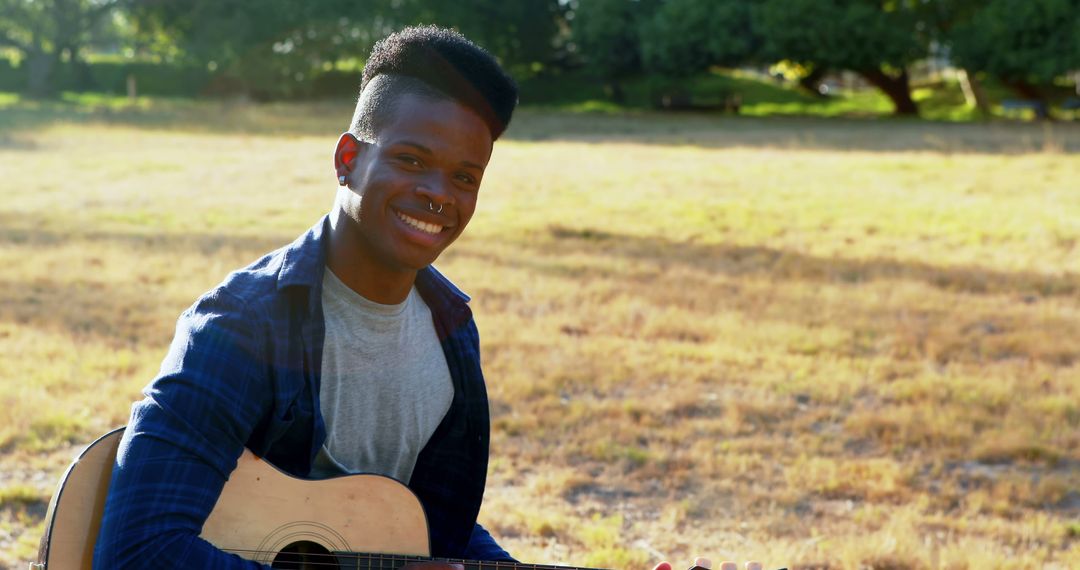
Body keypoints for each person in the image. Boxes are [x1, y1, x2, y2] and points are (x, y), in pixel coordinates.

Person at [94, 25, 518, 568]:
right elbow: (136, 551)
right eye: (411, 160)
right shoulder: (239, 326)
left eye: (464, 177)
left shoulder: (452, 329)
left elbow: (431, 527)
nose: (438, 194)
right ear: (347, 160)